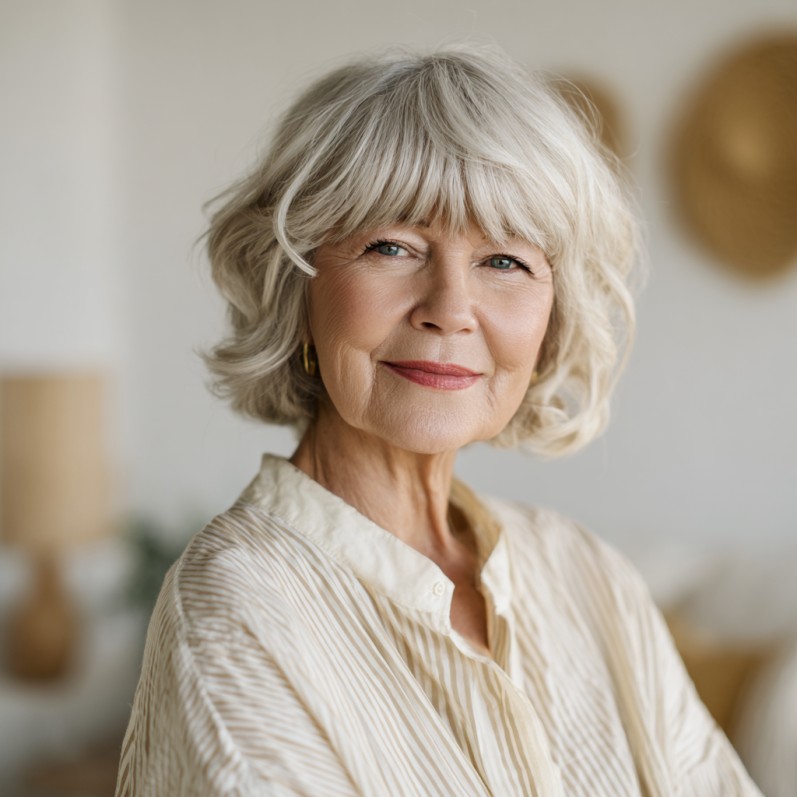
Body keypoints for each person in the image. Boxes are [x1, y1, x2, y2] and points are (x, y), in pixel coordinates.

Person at [115, 47, 762, 796]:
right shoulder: (240, 604)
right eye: (392, 246)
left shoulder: (587, 574)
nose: (449, 308)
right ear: (297, 286)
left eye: (504, 261)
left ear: (551, 320)